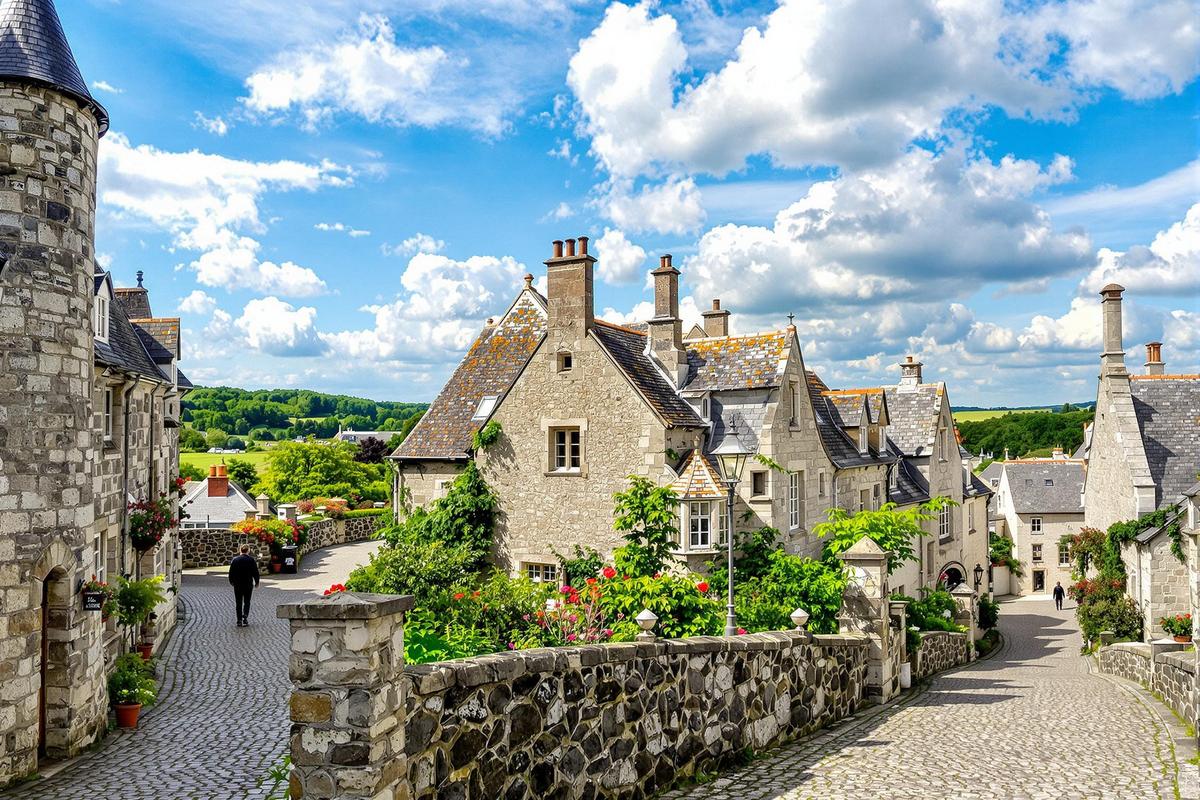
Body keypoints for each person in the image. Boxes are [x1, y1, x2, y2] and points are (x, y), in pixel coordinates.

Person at [228, 544, 260, 627]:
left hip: (238, 584)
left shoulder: (235, 560)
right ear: (248, 551)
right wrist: (257, 582)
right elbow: (255, 572)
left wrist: (231, 581)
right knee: (247, 601)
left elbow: (231, 572)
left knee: (238, 602)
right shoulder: (251, 560)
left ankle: (239, 620)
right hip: (248, 584)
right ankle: (245, 616)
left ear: (240, 550)